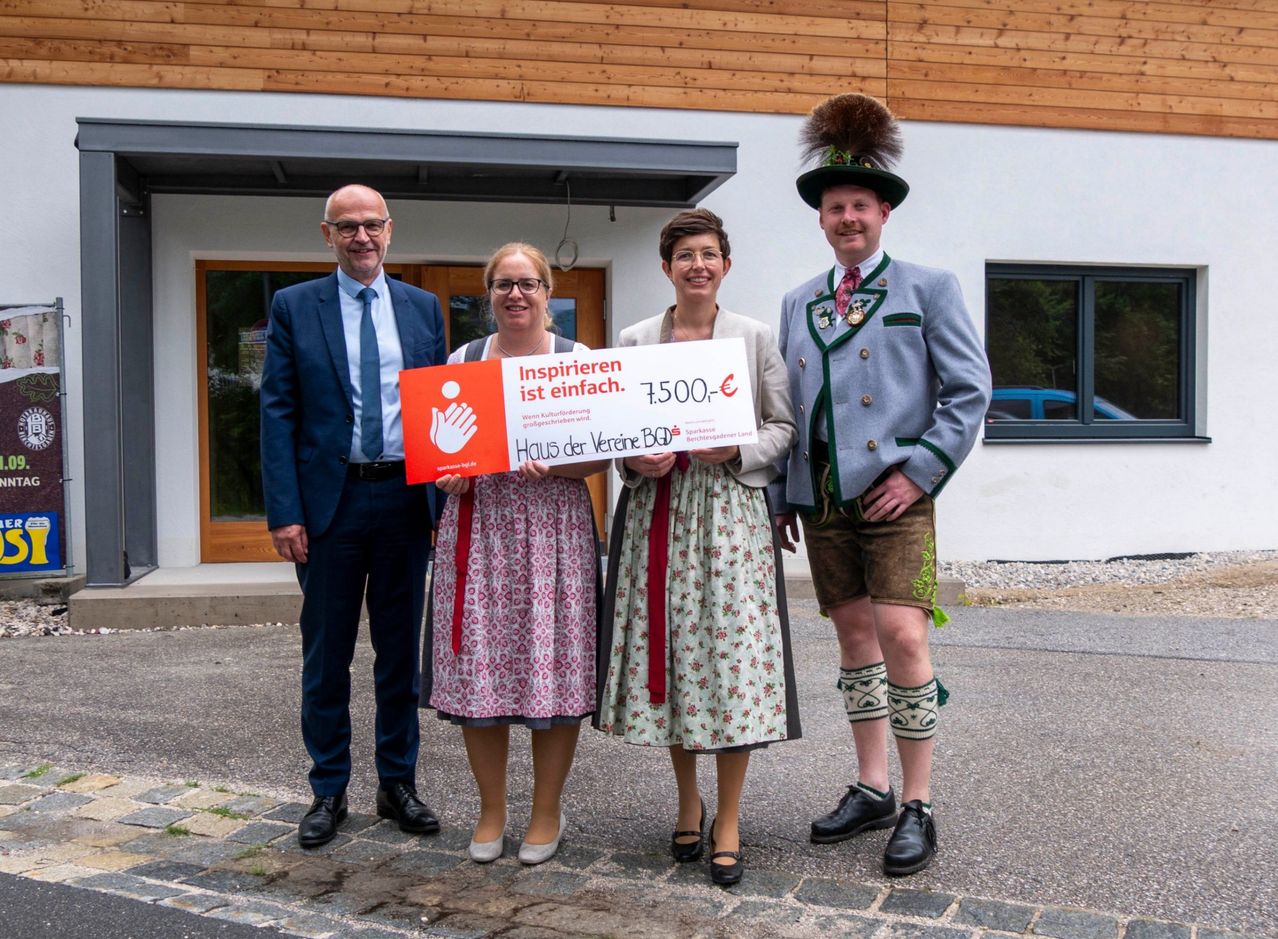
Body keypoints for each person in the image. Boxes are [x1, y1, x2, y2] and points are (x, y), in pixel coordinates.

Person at [771, 94, 991, 876]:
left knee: (904, 636)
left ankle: (919, 800)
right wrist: (783, 496)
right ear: (822, 219)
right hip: (824, 497)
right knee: (855, 639)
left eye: (860, 204)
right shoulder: (799, 301)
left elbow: (969, 392)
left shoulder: (929, 288)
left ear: (883, 212)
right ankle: (871, 785)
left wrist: (920, 470)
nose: (847, 218)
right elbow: (790, 408)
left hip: (898, 496)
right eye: (835, 207)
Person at [594, 209, 801, 886]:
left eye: (709, 254)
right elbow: (616, 431)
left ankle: (732, 815)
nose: (698, 266)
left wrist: (735, 447)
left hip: (727, 518)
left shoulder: (753, 336)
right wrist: (635, 461)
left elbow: (783, 426)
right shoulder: (632, 339)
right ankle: (688, 800)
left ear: (725, 265)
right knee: (677, 659)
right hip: (659, 512)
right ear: (666, 268)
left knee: (730, 662)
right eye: (685, 255)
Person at [260, 184, 447, 848]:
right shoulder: (294, 307)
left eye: (371, 225)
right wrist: (284, 511)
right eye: (348, 227)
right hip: (327, 506)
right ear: (327, 234)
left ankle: (398, 782)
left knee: (399, 653)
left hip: (403, 500)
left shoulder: (425, 309)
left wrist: (441, 505)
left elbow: (440, 409)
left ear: (390, 230)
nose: (361, 236)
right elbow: (278, 412)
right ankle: (328, 788)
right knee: (327, 653)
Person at [422, 243, 607, 866]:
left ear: (547, 291)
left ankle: (547, 810)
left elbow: (598, 458)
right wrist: (448, 477)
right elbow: (442, 455)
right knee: (480, 670)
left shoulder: (575, 360)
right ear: (488, 292)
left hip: (553, 531)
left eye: (527, 284)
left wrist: (555, 465)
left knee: (549, 668)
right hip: (480, 529)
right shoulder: (464, 360)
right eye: (503, 285)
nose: (516, 295)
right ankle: (491, 809)